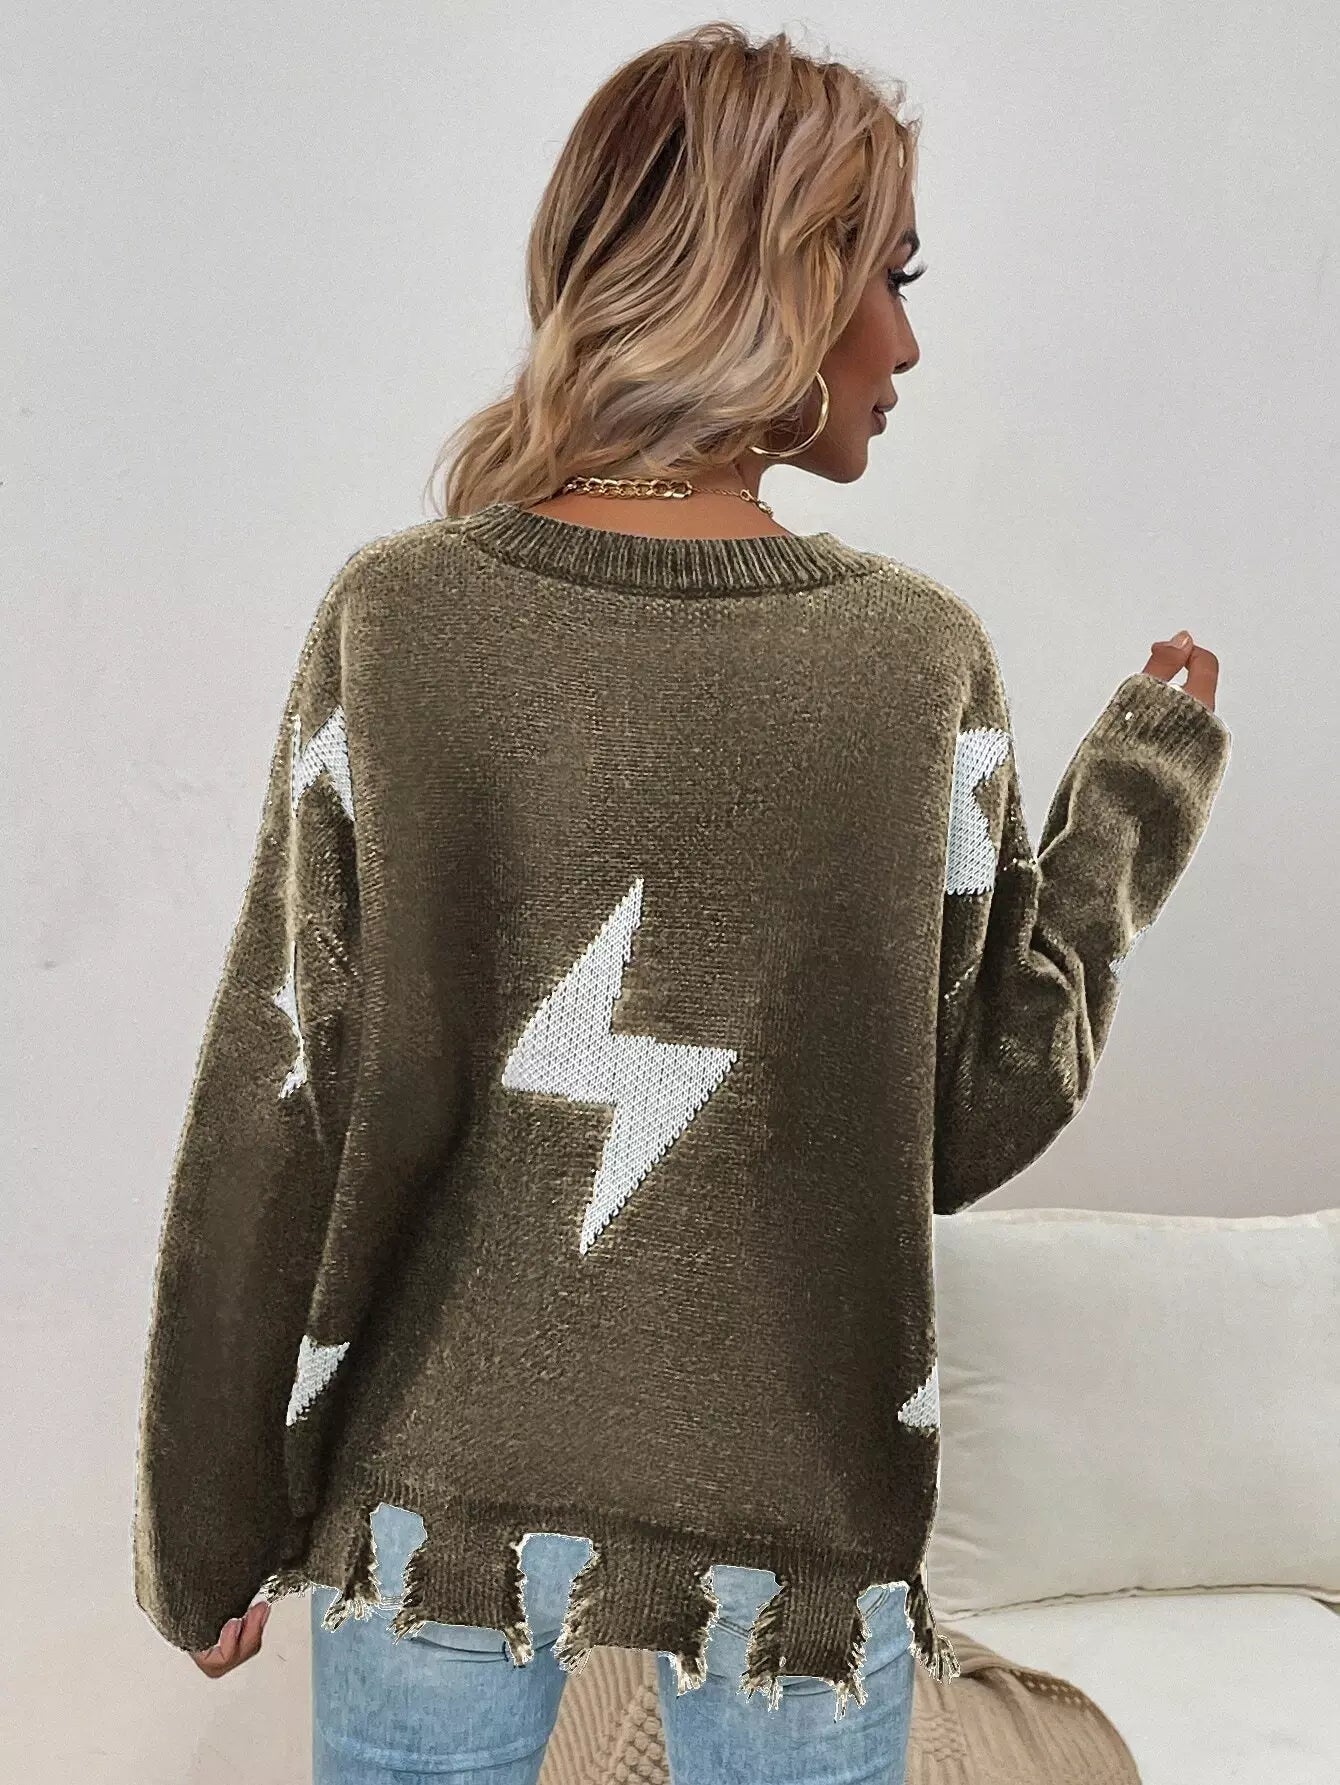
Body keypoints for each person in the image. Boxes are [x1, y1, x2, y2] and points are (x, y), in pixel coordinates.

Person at [132, 21, 1229, 1785]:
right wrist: (1136, 796)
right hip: (798, 1559)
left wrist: (201, 1522)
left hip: (424, 1529)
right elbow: (972, 1113)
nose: (909, 342)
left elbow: (281, 1095)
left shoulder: (399, 619)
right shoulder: (914, 663)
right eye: (892, 275)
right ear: (778, 275)